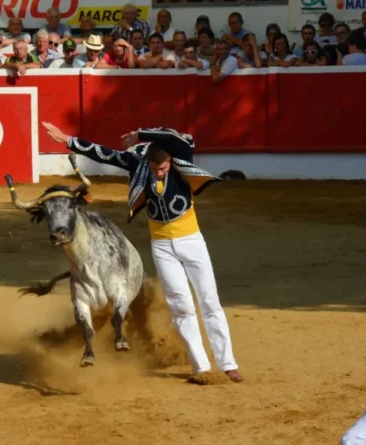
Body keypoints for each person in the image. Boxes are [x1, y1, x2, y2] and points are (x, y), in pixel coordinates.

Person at [42, 122, 243, 384]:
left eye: (163, 168)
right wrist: (68, 140)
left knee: (209, 301)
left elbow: (174, 138)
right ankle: (201, 366)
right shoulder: (139, 165)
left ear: (170, 160)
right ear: (146, 162)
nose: (159, 173)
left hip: (192, 241)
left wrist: (140, 134)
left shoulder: (181, 156)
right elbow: (103, 153)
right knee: (180, 304)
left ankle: (228, 363)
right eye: (154, 168)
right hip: (161, 246)